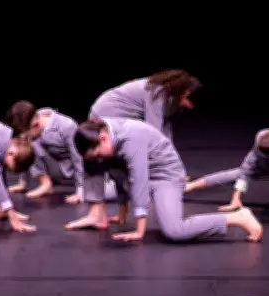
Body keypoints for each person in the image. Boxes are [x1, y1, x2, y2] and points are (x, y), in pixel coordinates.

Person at [64, 118, 263, 243]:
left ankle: (238, 218)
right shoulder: (101, 134)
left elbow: (138, 180)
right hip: (144, 176)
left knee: (174, 231)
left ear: (103, 139)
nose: (99, 158)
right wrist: (122, 212)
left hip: (165, 176)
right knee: (102, 167)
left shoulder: (130, 137)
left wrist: (139, 231)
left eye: (98, 153)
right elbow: (118, 174)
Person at [76, 70, 202, 204]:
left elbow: (165, 136)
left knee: (133, 152)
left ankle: (129, 191)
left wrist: (176, 170)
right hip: (107, 114)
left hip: (119, 116)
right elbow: (154, 133)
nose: (188, 106)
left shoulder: (168, 97)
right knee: (115, 156)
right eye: (188, 101)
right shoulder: (157, 93)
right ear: (184, 94)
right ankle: (104, 195)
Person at [1, 101, 85, 202]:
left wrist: (81, 191)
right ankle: (38, 183)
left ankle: (46, 184)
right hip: (52, 168)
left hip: (68, 172)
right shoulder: (35, 117)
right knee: (25, 143)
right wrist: (23, 182)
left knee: (30, 142)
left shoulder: (67, 126)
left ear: (35, 124)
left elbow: (78, 158)